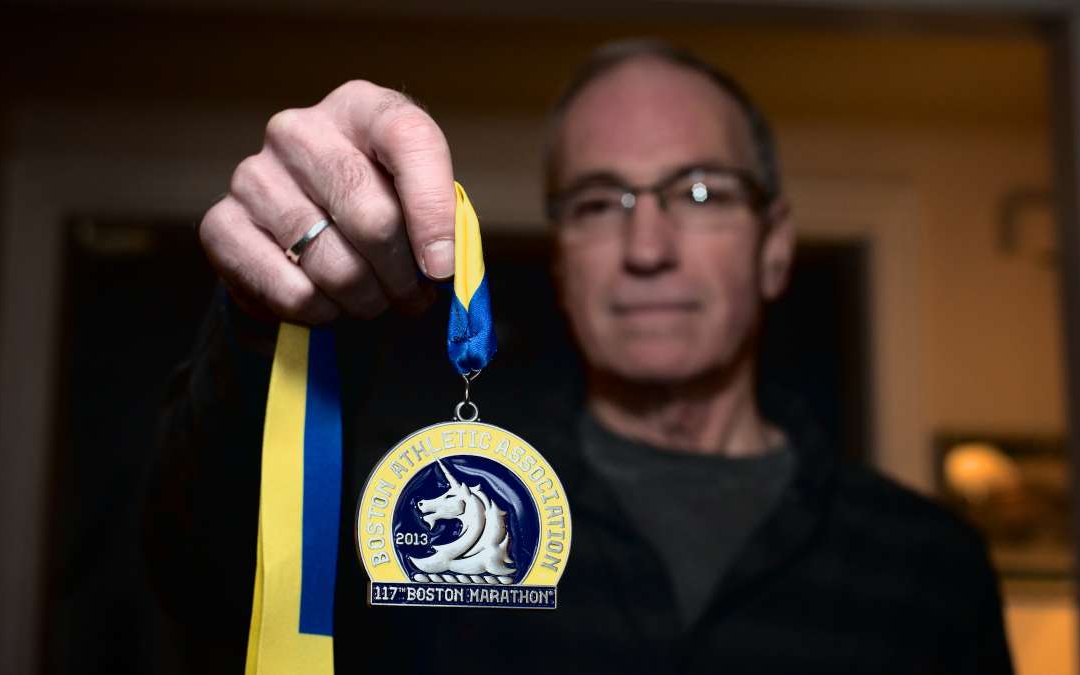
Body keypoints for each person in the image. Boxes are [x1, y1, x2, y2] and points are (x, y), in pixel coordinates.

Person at [147, 40, 1014, 674]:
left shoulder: (929, 567)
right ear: (562, 259)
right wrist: (267, 321)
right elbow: (207, 572)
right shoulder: (423, 499)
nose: (646, 245)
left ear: (775, 246)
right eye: (601, 201)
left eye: (700, 192)